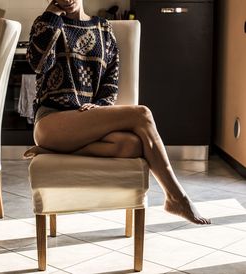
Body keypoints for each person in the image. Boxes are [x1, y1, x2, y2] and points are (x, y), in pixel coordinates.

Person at [26, 0, 211, 225]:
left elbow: (110, 82)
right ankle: (176, 196)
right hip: (52, 121)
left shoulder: (104, 28)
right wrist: (52, 14)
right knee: (142, 114)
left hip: (87, 120)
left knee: (132, 145)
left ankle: (51, 151)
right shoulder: (47, 23)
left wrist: (101, 105)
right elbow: (38, 64)